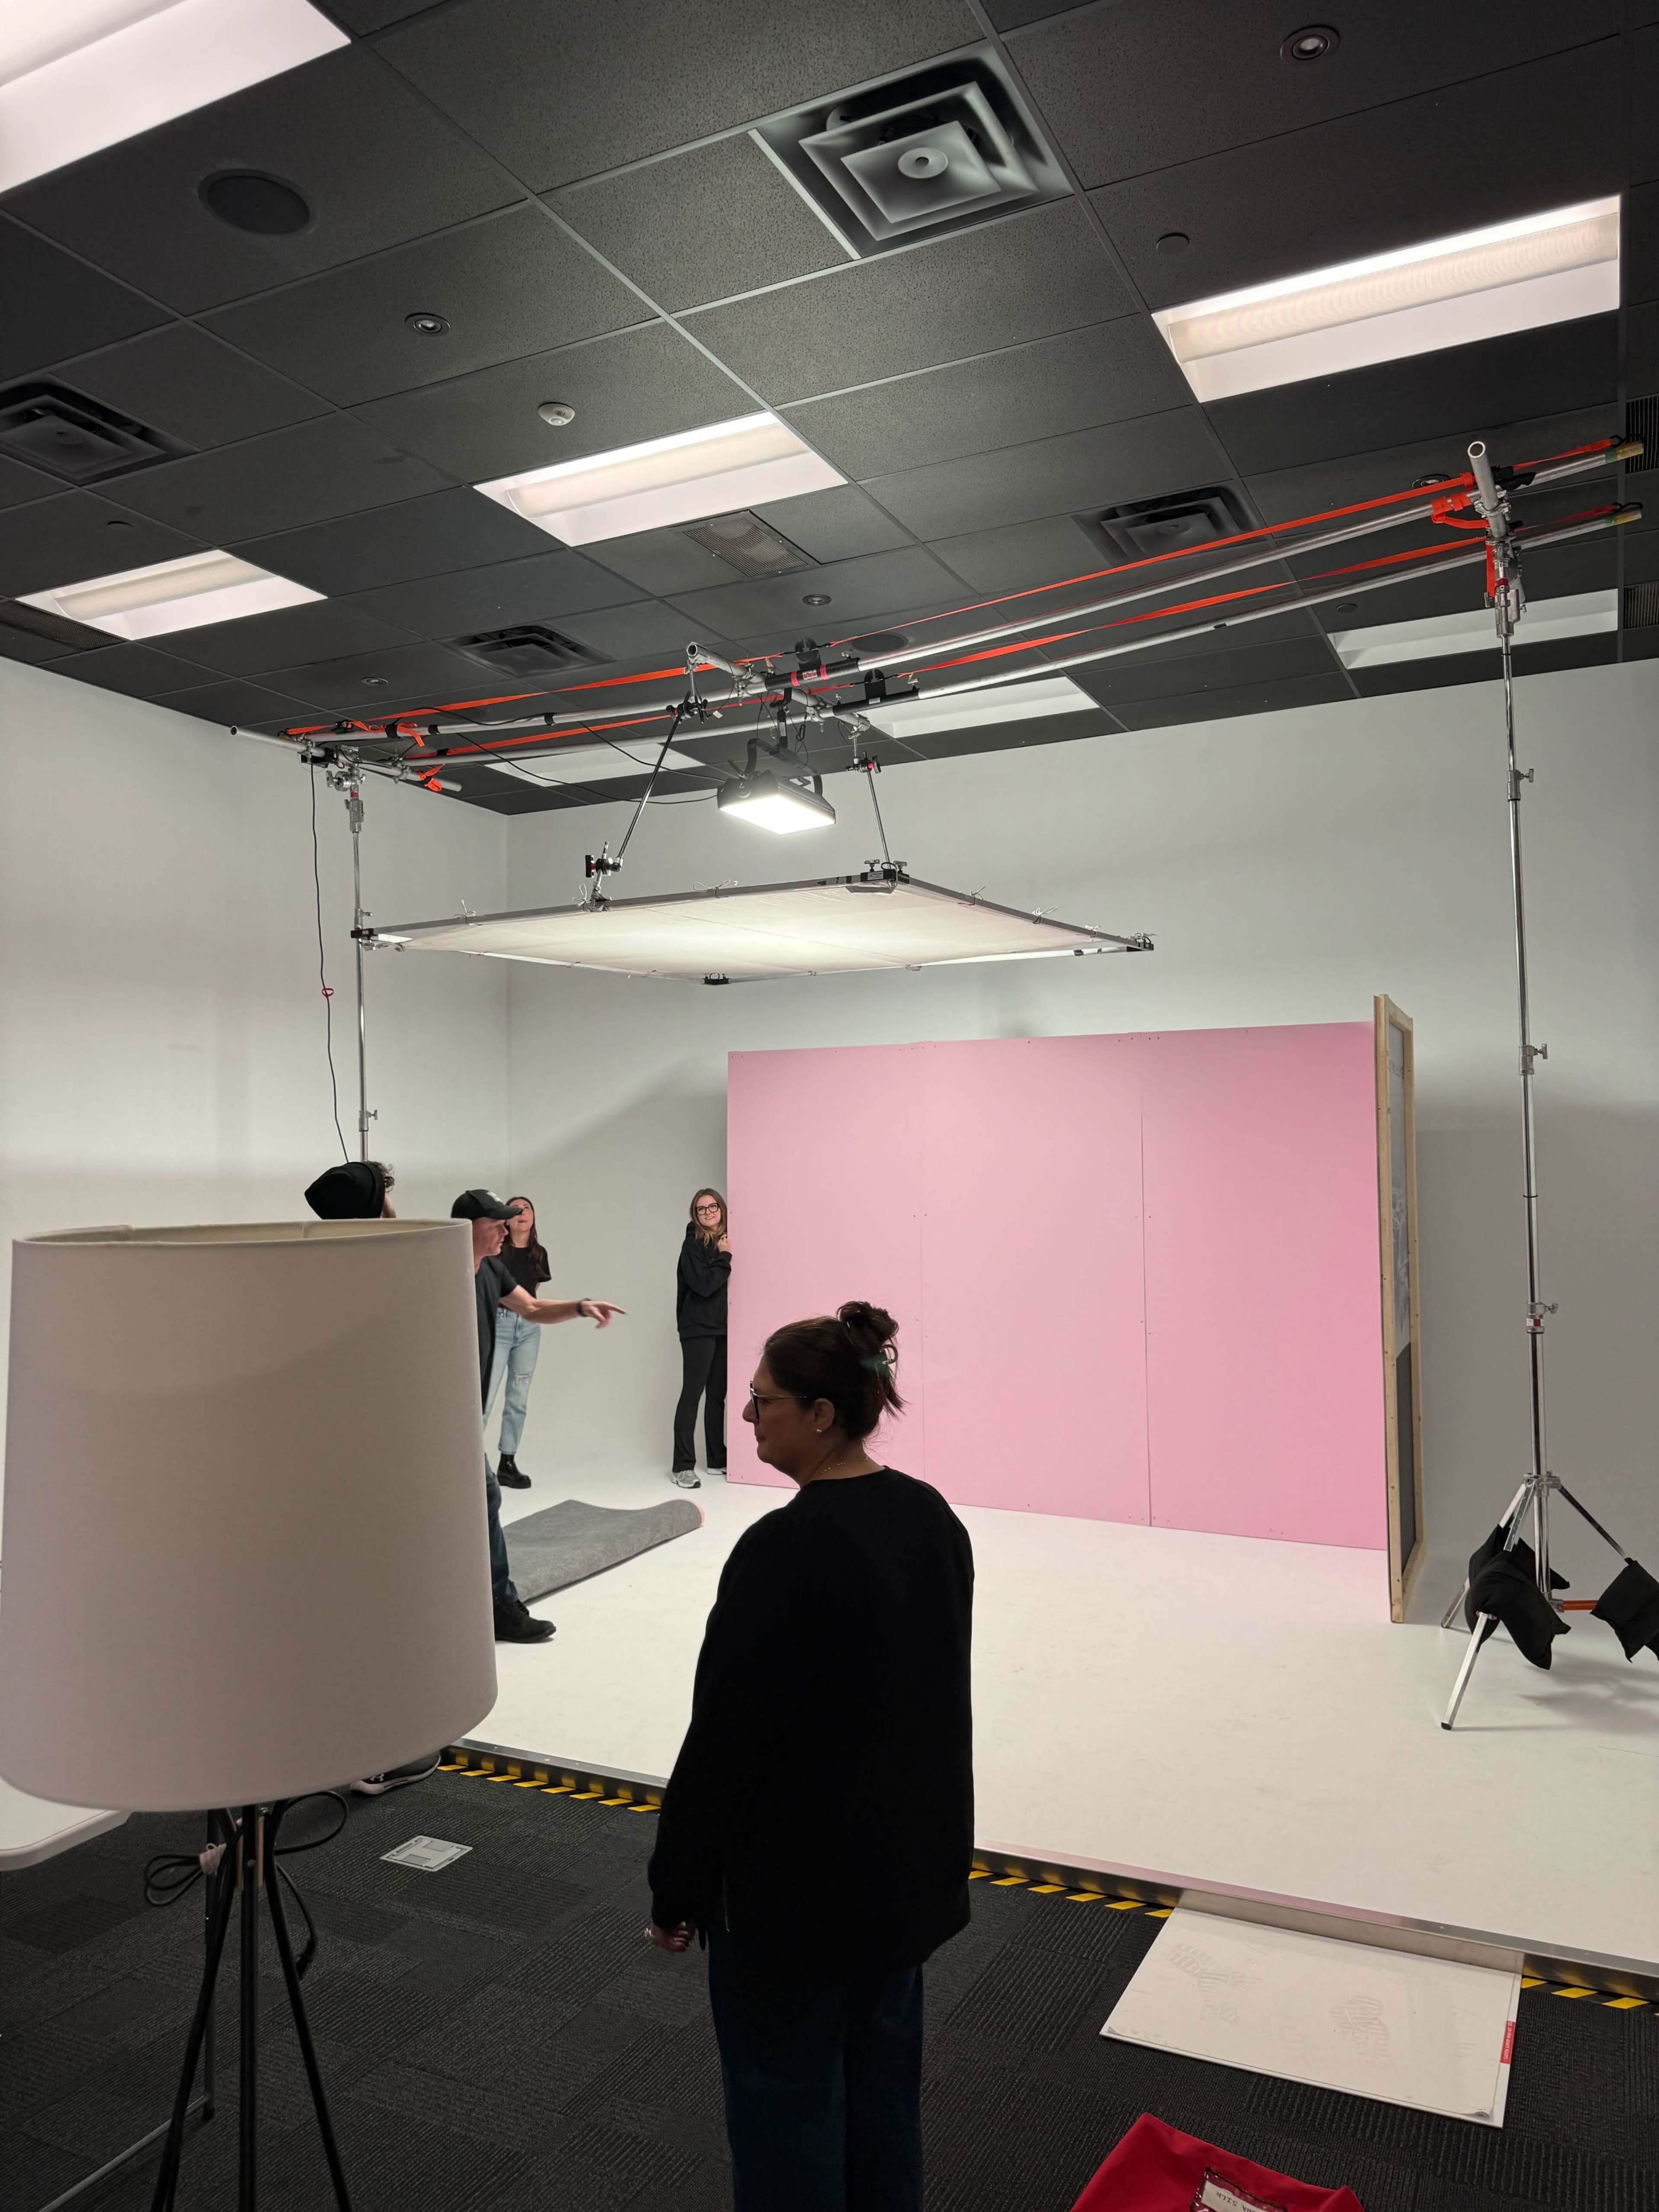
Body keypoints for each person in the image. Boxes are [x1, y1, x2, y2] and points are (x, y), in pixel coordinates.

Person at [646, 1302, 974, 2212]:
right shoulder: (930, 1518)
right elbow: (936, 1712)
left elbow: (724, 1739)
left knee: (785, 2115)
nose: (748, 1415)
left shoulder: (782, 1549)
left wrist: (677, 1884)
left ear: (822, 1413)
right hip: (898, 1892)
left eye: (763, 1401)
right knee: (882, 2102)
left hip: (791, 1905)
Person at [454, 1189, 623, 1644]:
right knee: (483, 1497)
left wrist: (580, 1307)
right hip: (442, 1412)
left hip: (463, 1412)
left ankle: (485, 1603)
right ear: (469, 1226)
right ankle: (498, 1607)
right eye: (496, 1223)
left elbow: (530, 1307)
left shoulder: (492, 1269)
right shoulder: (442, 1271)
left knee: (480, 1499)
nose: (505, 1229)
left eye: (507, 1221)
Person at [487, 1194, 549, 1489]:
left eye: (527, 1208)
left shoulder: (539, 1253)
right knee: (486, 1396)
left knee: (518, 1398)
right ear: (506, 1220)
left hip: (529, 1329)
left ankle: (507, 1463)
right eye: (516, 1210)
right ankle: (470, 1462)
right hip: (499, 1324)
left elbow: (533, 1292)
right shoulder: (497, 1251)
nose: (522, 1213)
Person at [671, 1187, 730, 1490]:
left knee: (717, 1395)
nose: (708, 1213)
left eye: (713, 1206)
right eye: (701, 1209)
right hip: (697, 1328)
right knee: (692, 1395)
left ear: (722, 1208)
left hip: (721, 1328)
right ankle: (682, 1466)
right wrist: (725, 1257)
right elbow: (705, 1286)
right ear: (695, 1214)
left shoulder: (723, 1240)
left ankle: (717, 1459)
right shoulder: (692, 1244)